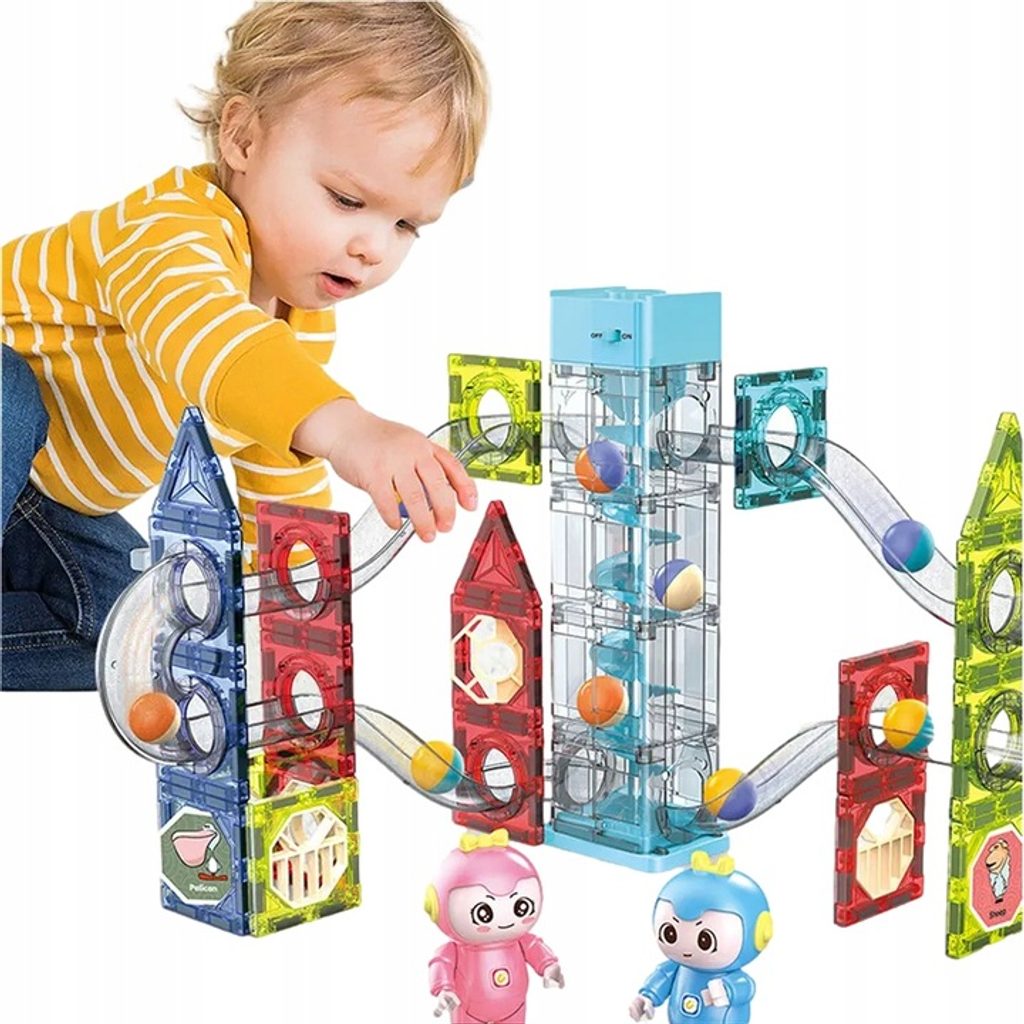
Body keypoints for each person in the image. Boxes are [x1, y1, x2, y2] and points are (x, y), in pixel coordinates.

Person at [1, 2, 486, 691]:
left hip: (36, 501)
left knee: (139, 638)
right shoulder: (169, 231)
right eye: (347, 200)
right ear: (243, 139)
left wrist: (301, 634)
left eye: (407, 224)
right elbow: (212, 342)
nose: (373, 247)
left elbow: (283, 493)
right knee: (8, 396)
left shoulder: (292, 338)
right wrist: (354, 431)